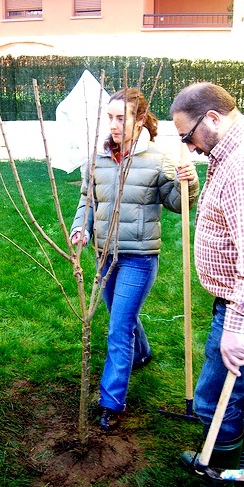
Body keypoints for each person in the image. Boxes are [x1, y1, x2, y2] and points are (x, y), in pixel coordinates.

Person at [70, 87, 200, 431]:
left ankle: (111, 402)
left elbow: (176, 202)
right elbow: (88, 199)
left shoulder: (158, 159)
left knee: (117, 328)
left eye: (120, 118)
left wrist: (189, 183)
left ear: (139, 119)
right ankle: (141, 353)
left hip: (139, 257)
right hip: (104, 254)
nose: (113, 125)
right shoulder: (96, 158)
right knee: (122, 317)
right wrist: (80, 228)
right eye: (109, 117)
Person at [170, 82, 244, 487]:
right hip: (237, 302)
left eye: (188, 136)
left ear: (214, 119)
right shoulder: (229, 155)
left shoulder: (243, 163)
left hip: (243, 308)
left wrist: (238, 327)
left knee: (212, 400)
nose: (189, 147)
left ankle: (219, 482)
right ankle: (234, 472)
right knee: (242, 394)